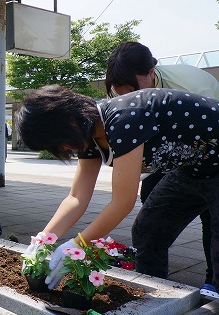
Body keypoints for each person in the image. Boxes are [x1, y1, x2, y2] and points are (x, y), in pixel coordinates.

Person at [16, 84, 219, 293]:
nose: (63, 149)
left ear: (67, 119)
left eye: (58, 141)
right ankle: (151, 296)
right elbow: (76, 197)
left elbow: (123, 202)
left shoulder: (124, 118)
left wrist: (78, 244)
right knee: (147, 231)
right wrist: (43, 239)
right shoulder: (89, 135)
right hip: (192, 168)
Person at [106, 41, 219, 297]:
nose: (128, 99)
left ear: (151, 72)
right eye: (121, 93)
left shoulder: (189, 83)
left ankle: (212, 281)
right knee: (148, 221)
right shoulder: (120, 97)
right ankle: (152, 288)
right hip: (181, 161)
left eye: (134, 90)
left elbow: (208, 133)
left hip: (210, 152)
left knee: (211, 218)